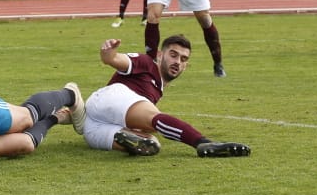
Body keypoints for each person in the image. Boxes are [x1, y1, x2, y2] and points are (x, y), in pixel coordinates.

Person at [70, 35, 250, 157]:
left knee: (151, 144)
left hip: (94, 130)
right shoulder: (147, 63)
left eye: (183, 59)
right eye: (173, 55)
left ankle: (126, 138)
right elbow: (116, 60)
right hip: (109, 97)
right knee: (154, 118)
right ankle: (202, 143)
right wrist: (109, 55)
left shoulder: (158, 87)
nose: (177, 62)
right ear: (160, 54)